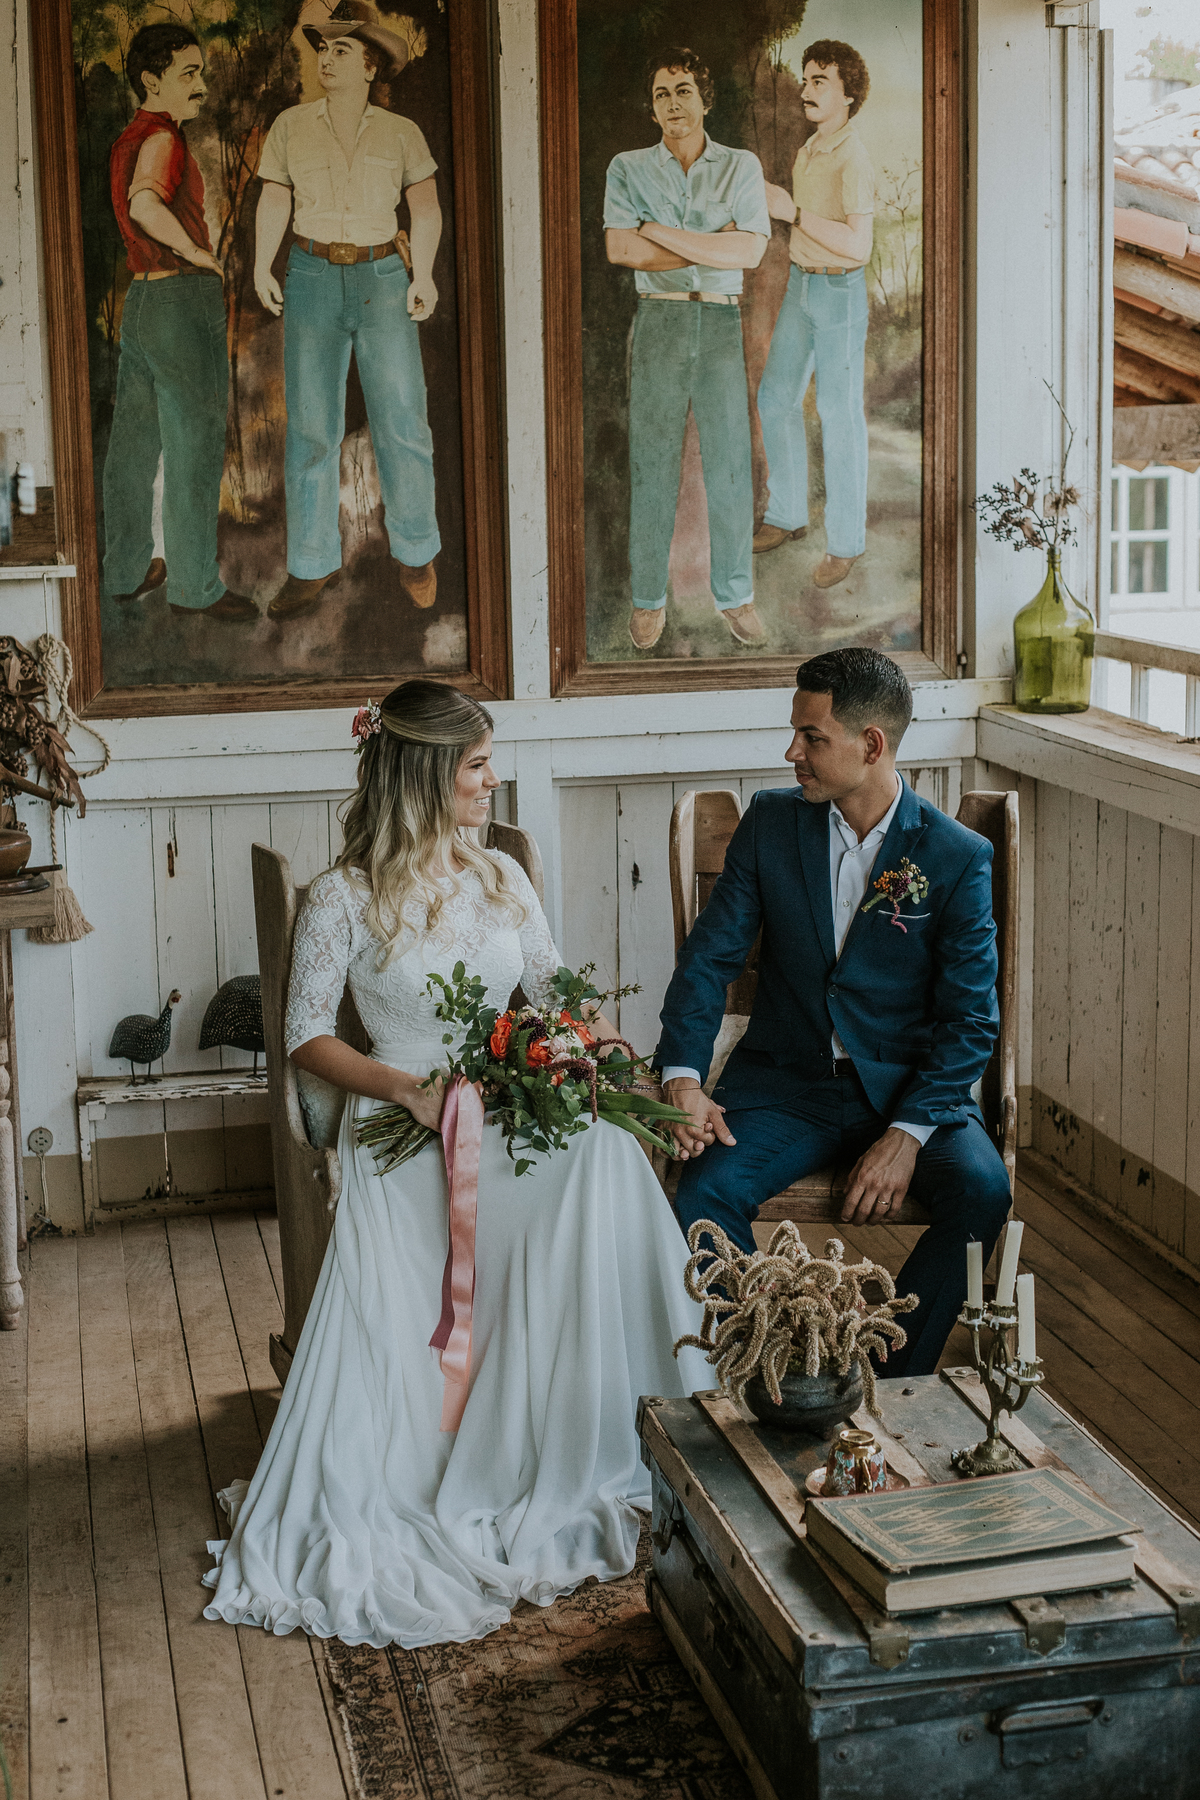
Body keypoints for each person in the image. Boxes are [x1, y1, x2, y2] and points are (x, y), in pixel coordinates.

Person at [202, 680, 707, 1647]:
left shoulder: (502, 878)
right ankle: (455, 1446)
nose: (492, 779)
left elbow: (555, 996)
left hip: (505, 1103)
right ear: (428, 772)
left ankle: (612, 1424)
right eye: (477, 765)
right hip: (405, 1121)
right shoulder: (343, 897)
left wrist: (615, 1070)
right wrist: (405, 1091)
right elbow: (304, 1034)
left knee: (604, 1152)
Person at [656, 649, 1012, 1379]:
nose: (793, 752)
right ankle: (780, 1371)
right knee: (703, 1189)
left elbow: (970, 1020)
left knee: (983, 1190)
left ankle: (880, 1380)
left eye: (812, 737)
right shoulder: (770, 824)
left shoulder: (953, 855)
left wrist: (909, 1136)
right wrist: (684, 1079)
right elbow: (709, 961)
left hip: (912, 1091)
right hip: (787, 1083)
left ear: (870, 744)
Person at [253, 1, 442, 622]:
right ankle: (311, 563)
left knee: (402, 419)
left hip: (383, 276)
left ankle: (415, 550)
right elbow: (275, 200)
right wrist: (262, 266)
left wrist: (424, 275)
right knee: (311, 427)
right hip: (310, 274)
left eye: (341, 50)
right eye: (323, 49)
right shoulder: (290, 125)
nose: (326, 59)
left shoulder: (401, 132)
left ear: (369, 65)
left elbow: (427, 208)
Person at [604, 49, 770, 650]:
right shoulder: (627, 166)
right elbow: (621, 252)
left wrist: (658, 232)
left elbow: (751, 254)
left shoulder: (741, 166)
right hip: (660, 322)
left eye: (682, 91)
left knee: (729, 465)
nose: (672, 104)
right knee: (653, 464)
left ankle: (736, 596)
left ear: (704, 98)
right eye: (661, 94)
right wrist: (710, 244)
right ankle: (648, 599)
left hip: (722, 326)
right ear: (652, 108)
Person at [102, 23, 257, 622]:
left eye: (200, 72)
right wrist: (197, 253)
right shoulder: (163, 138)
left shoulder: (127, 137)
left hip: (141, 303)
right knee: (192, 450)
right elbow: (145, 203)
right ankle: (195, 588)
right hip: (180, 301)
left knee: (133, 448)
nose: (201, 84)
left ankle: (126, 569)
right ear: (151, 79)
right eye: (188, 73)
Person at [755, 41, 875, 591]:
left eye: (820, 80)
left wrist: (794, 211)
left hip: (839, 293)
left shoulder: (854, 156)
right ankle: (787, 515)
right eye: (806, 79)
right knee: (776, 396)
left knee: (839, 413)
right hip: (802, 287)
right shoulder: (810, 149)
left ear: (848, 93)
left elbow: (858, 246)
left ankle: (846, 543)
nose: (807, 90)